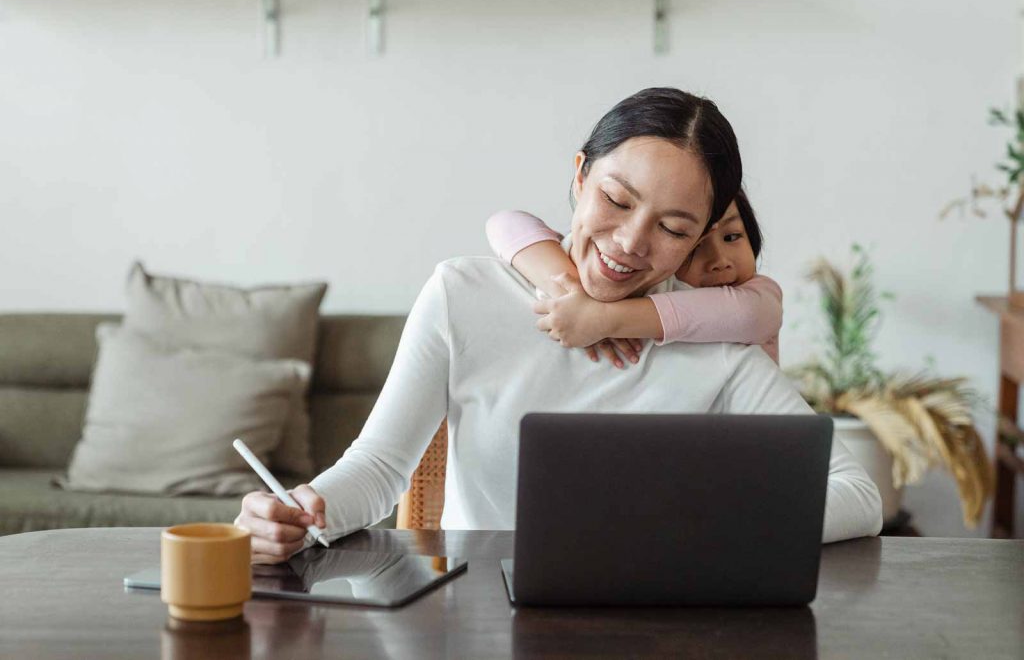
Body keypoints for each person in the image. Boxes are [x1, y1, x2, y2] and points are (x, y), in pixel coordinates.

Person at [235, 87, 883, 564]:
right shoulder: (464, 295)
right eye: (616, 200)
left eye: (673, 228)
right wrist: (298, 509)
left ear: (700, 238)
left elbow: (858, 494)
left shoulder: (714, 341)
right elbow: (378, 469)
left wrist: (714, 523)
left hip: (654, 628)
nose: (630, 242)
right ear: (579, 177)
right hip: (478, 623)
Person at [484, 187, 781, 367]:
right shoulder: (652, 288)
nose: (720, 262)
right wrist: (569, 292)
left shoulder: (759, 296)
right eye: (695, 248)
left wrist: (603, 318)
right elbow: (505, 223)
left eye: (732, 236)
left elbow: (749, 316)